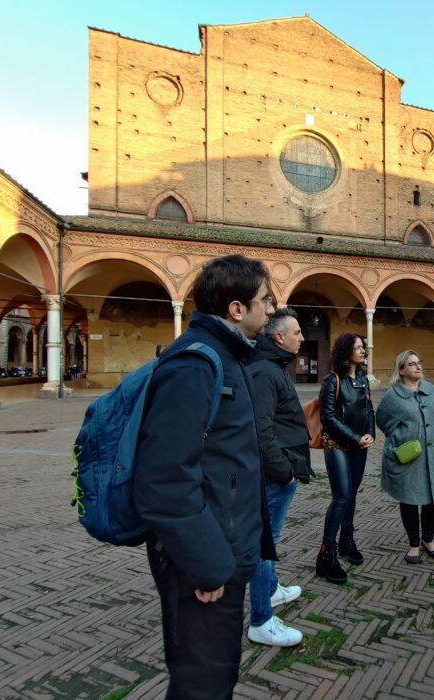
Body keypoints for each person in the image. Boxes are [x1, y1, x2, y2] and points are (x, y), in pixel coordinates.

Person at [132, 254, 276, 700]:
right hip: (205, 563)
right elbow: (163, 481)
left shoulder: (227, 357)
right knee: (203, 682)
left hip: (223, 552)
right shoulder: (195, 365)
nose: (272, 309)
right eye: (265, 300)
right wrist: (208, 564)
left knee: (215, 676)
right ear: (237, 309)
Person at [246, 308, 313, 647]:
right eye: (297, 332)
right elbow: (261, 430)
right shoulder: (265, 372)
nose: (303, 337)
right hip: (274, 476)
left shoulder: (274, 367)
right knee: (264, 545)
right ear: (278, 338)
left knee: (269, 541)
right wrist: (284, 471)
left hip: (280, 472)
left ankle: (271, 591)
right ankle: (260, 619)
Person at [376, 350, 434, 564]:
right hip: (410, 456)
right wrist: (401, 437)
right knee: (409, 498)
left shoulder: (431, 390)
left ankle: (428, 540)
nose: (418, 367)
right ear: (401, 370)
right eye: (411, 364)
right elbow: (382, 420)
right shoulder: (393, 396)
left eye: (419, 362)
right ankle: (413, 544)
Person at [315, 332, 375, 584]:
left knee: (351, 494)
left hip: (360, 445)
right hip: (338, 445)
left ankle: (346, 541)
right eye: (358, 347)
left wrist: (370, 432)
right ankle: (325, 555)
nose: (363, 350)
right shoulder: (332, 381)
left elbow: (369, 408)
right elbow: (328, 418)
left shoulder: (362, 379)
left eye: (363, 347)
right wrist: (354, 438)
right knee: (341, 497)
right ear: (346, 351)